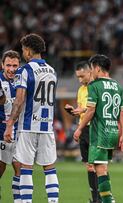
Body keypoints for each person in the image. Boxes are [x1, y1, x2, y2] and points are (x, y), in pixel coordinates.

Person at [4, 33, 59, 203]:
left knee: (26, 168)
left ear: (28, 50)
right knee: (50, 169)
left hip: (28, 126)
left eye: (23, 50)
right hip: (47, 126)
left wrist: (10, 124)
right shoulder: (52, 70)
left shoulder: (25, 70)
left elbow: (19, 100)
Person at [73, 54, 123, 203]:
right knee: (102, 168)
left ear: (97, 68)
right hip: (112, 132)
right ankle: (107, 200)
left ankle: (108, 201)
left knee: (100, 170)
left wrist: (79, 128)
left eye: (91, 69)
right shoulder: (118, 86)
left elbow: (90, 111)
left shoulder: (94, 86)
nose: (91, 72)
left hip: (99, 133)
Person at [64, 61, 100, 203]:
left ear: (89, 72)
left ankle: (103, 196)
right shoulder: (81, 90)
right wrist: (74, 111)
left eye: (82, 76)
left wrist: (84, 110)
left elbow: (96, 108)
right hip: (83, 128)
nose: (80, 80)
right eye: (78, 77)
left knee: (98, 164)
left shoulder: (96, 87)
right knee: (89, 165)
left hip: (95, 128)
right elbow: (81, 109)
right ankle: (95, 198)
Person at [0, 50, 21, 203]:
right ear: (2, 65)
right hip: (1, 132)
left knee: (21, 171)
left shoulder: (23, 80)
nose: (11, 69)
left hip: (20, 133)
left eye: (15, 65)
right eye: (8, 65)